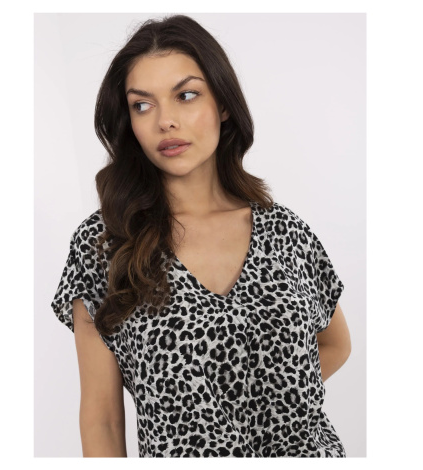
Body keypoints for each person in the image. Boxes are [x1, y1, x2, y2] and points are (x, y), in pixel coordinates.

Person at [51, 14, 351, 458]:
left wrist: (262, 409)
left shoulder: (286, 231)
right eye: (142, 105)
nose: (165, 121)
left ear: (223, 104)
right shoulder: (104, 245)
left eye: (186, 95)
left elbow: (336, 343)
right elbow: (102, 420)